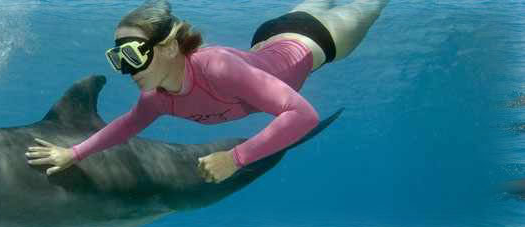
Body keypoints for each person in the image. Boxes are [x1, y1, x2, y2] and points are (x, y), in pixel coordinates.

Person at [26, 0, 388, 183]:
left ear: (168, 48)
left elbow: (303, 115)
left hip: (317, 40)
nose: (126, 69)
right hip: (267, 38)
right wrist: (73, 153)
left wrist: (235, 159)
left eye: (133, 55)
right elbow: (127, 125)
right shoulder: (157, 97)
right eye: (117, 58)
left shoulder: (216, 68)